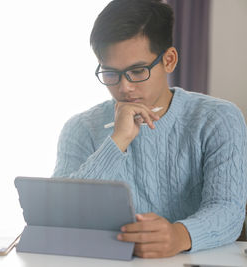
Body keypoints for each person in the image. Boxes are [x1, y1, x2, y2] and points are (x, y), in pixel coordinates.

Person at [52, 0, 247, 258]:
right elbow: (56, 215)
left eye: (137, 70)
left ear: (169, 60)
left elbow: (228, 210)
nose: (124, 88)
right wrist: (117, 141)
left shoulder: (219, 119)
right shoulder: (79, 128)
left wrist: (179, 235)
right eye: (111, 73)